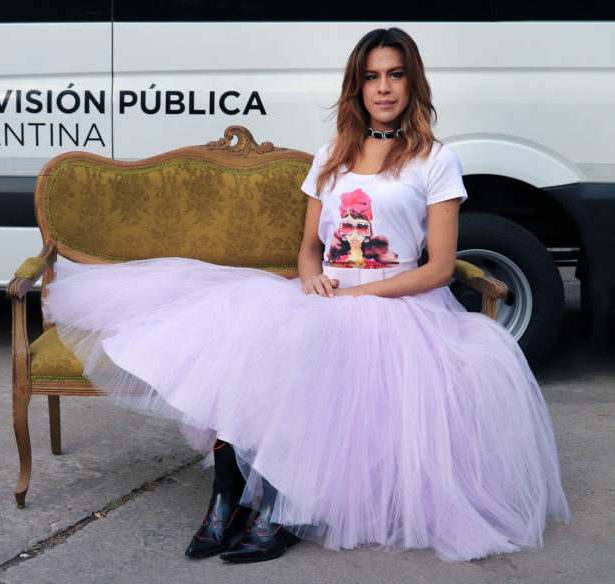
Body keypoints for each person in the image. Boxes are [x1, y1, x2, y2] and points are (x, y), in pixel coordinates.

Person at [44, 28, 569, 564]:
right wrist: (312, 277)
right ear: (357, 87)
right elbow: (307, 249)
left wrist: (361, 297)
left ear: (412, 84)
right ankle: (226, 498)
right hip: (327, 294)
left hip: (400, 305)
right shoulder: (331, 156)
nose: (382, 88)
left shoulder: (435, 161)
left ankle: (283, 505)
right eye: (371, 77)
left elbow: (437, 269)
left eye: (394, 75)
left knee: (310, 352)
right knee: (247, 336)